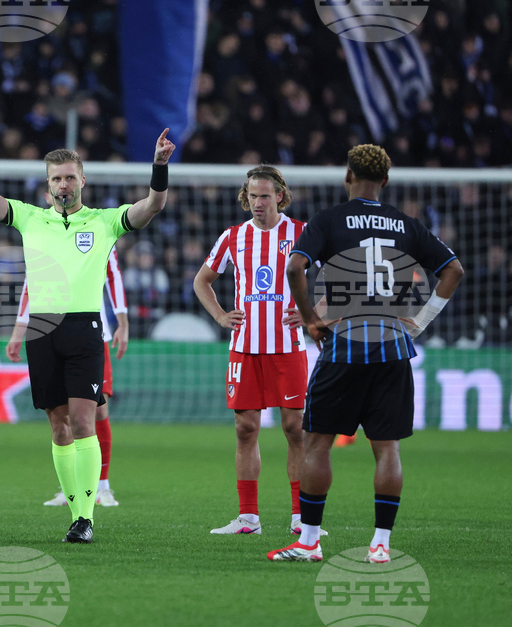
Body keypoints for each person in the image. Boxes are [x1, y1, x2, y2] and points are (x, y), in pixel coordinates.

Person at [0, 109, 172, 544]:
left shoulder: (104, 221)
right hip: (41, 332)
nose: (63, 185)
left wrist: (159, 166)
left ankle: (86, 518)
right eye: (56, 179)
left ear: (82, 181)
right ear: (47, 184)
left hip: (85, 329)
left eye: (69, 178)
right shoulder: (30, 218)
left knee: (85, 421)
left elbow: (153, 205)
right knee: (58, 426)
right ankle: (75, 512)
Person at [268, 144, 463, 563]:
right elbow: (453, 270)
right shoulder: (406, 224)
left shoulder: (329, 221)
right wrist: (422, 321)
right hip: (393, 344)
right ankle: (380, 545)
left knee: (317, 443)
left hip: (345, 345)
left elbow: (293, 268)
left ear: (348, 177)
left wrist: (309, 319)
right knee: (387, 448)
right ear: (386, 182)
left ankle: (310, 541)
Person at [193, 165, 321, 536]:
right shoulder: (233, 237)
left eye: (265, 196)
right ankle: (248, 518)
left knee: (295, 428)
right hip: (244, 347)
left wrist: (313, 313)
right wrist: (219, 315)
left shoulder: (301, 232)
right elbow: (202, 280)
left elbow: (335, 274)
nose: (258, 203)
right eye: (252, 196)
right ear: (245, 197)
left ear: (280, 196)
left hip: (287, 347)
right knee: (245, 428)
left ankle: (301, 517)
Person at [7, 244, 128, 508]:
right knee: (61, 416)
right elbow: (31, 285)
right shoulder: (41, 233)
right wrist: (19, 331)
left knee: (97, 411)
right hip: (49, 334)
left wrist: (122, 321)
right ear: (47, 198)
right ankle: (71, 487)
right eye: (52, 197)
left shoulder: (98, 229)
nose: (58, 198)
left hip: (92, 333)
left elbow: (113, 275)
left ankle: (102, 487)